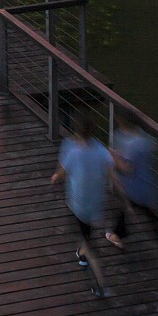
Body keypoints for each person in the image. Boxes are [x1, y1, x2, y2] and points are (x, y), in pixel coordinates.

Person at [51, 111, 112, 296]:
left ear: (76, 130)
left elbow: (61, 173)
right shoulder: (100, 149)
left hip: (78, 205)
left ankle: (101, 285)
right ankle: (83, 252)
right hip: (95, 203)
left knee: (87, 240)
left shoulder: (72, 150)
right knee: (86, 234)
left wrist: (55, 178)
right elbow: (110, 172)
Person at [109, 114, 158, 278]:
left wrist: (112, 156)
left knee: (126, 207)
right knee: (153, 226)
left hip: (135, 190)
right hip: (150, 188)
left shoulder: (131, 144)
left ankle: (117, 235)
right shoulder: (147, 140)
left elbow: (127, 169)